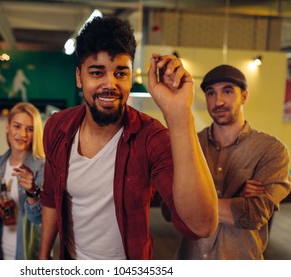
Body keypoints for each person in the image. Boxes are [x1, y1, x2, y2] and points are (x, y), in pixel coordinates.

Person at [39, 16, 218, 260]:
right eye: (97, 72)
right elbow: (50, 196)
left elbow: (202, 225)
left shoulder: (150, 139)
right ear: (79, 77)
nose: (110, 84)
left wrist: (178, 113)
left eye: (120, 73)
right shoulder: (58, 127)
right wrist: (43, 257)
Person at [174, 64, 291, 259]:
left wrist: (191, 202)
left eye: (227, 91)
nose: (218, 101)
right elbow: (170, 210)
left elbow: (253, 214)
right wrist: (237, 199)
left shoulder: (271, 150)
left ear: (244, 96)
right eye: (211, 93)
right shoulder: (189, 146)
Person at [0, 102, 45, 260]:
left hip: (29, 252)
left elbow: (40, 218)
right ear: (7, 126)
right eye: (17, 126)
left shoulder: (43, 167)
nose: (23, 134)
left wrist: (32, 192)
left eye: (30, 129)